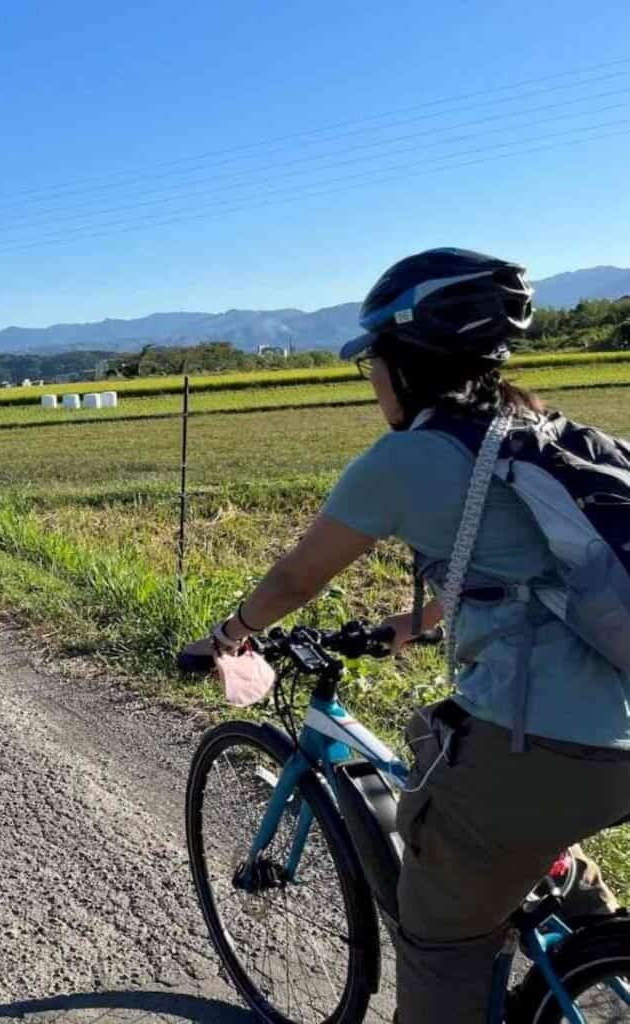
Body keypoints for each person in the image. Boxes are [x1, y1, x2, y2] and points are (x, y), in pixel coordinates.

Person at [182, 248, 630, 1023]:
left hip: (541, 746)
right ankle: (599, 944)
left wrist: (232, 633)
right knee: (458, 765)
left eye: (373, 364)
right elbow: (530, 573)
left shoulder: (409, 458)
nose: (372, 382)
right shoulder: (530, 431)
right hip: (616, 731)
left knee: (440, 933)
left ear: (409, 362)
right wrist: (414, 623)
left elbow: (295, 579)